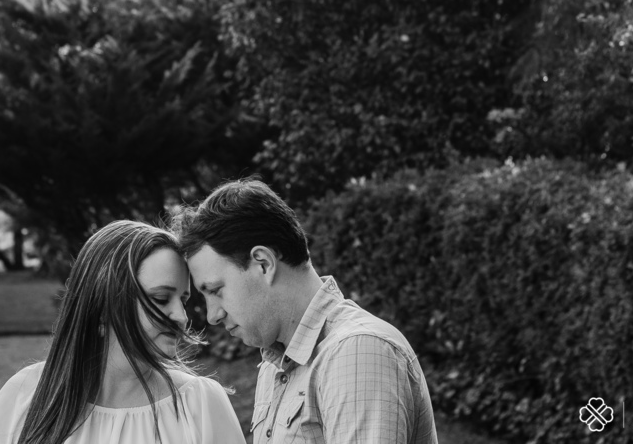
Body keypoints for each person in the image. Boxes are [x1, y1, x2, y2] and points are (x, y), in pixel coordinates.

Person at [174, 178, 438, 444]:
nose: (213, 315)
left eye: (215, 290)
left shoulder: (357, 351)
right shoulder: (274, 365)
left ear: (263, 264)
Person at [0, 220, 246, 444]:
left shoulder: (199, 405)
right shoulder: (27, 393)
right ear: (102, 308)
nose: (181, 317)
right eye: (161, 299)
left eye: (183, 300)